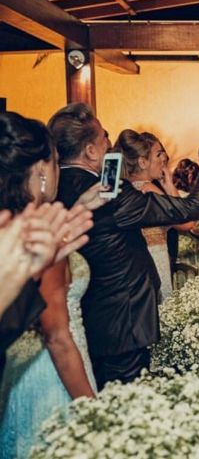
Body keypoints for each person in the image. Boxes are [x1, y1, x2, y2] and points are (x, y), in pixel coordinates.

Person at [49, 102, 199, 389]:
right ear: (90, 151)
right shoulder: (109, 192)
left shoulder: (54, 187)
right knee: (128, 396)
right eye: (103, 137)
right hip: (122, 320)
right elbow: (187, 209)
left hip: (90, 315)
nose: (109, 144)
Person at [0, 112, 102, 457]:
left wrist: (80, 206)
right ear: (42, 170)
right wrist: (95, 413)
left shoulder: (11, 224)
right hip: (51, 374)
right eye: (57, 162)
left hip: (15, 373)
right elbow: (57, 337)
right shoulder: (39, 238)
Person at [114, 130, 176, 302]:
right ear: (142, 162)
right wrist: (169, 184)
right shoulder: (149, 189)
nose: (164, 158)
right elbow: (184, 221)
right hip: (155, 256)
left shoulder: (128, 189)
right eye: (158, 154)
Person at [172, 159, 199, 276]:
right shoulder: (192, 199)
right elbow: (198, 227)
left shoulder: (171, 196)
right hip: (196, 248)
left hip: (179, 247)